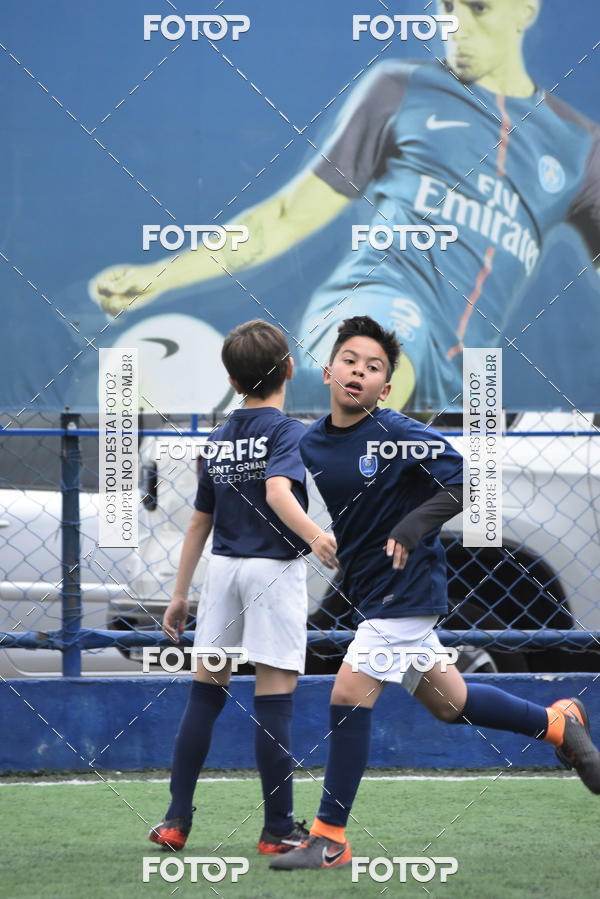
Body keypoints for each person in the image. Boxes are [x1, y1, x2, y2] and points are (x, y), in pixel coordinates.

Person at [89, 0, 600, 412]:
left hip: (458, 368)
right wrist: (163, 273)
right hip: (375, 302)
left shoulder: (579, 145)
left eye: (478, 8)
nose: (455, 25)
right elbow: (285, 217)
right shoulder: (402, 88)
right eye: (446, 7)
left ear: (525, 10)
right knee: (375, 358)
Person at [268, 315, 600, 871]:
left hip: (409, 587)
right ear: (328, 371)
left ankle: (329, 838)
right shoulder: (313, 441)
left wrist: (412, 526)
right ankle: (558, 721)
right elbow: (277, 483)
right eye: (350, 360)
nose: (359, 371)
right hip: (371, 591)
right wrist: (312, 536)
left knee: (348, 694)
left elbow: (469, 481)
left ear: (386, 388)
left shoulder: (398, 433)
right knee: (452, 702)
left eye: (374, 367)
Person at [149, 318, 338, 853]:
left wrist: (180, 593)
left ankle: (175, 820)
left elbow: (197, 523)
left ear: (232, 382)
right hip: (273, 569)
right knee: (274, 699)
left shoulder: (216, 438)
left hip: (223, 571)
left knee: (205, 696)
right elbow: (280, 492)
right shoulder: (290, 432)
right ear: (291, 370)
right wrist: (317, 536)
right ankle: (277, 830)